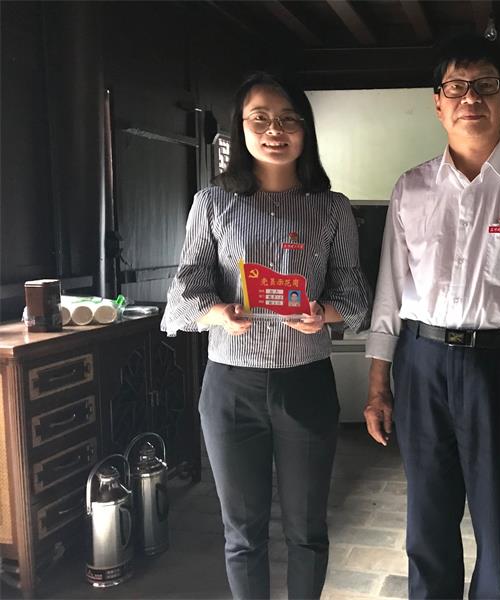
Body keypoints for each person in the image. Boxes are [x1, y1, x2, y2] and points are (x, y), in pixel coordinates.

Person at [364, 34, 500, 599]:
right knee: (428, 524)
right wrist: (378, 384)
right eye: (456, 87)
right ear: (438, 103)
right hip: (421, 363)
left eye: (485, 86)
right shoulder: (411, 189)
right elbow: (390, 290)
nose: (471, 98)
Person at [162, 72, 370, 599]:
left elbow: (355, 298)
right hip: (231, 386)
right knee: (242, 533)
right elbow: (182, 296)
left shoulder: (331, 207)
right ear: (241, 127)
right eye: (260, 119)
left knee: (307, 531)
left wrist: (321, 313)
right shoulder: (212, 203)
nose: (274, 130)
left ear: (305, 130)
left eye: (288, 119)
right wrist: (220, 313)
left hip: (306, 383)